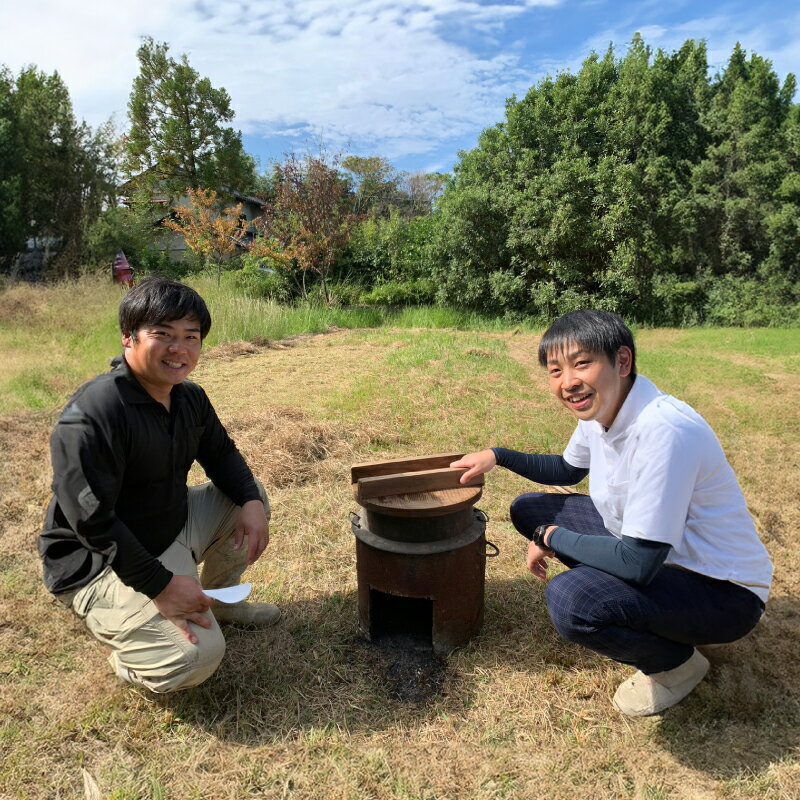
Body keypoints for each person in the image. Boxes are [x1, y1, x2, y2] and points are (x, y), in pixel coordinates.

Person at [452, 310, 772, 717]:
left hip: (721, 589)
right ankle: (636, 606)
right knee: (528, 509)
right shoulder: (604, 408)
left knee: (571, 600)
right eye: (555, 370)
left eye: (581, 363)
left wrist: (552, 538)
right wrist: (496, 456)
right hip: (655, 552)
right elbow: (567, 470)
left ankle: (675, 665)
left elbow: (638, 564)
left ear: (622, 361)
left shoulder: (663, 432)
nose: (567, 382)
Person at [39, 276, 279, 693]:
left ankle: (220, 602)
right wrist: (161, 586)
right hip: (97, 564)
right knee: (194, 658)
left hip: (167, 529)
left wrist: (251, 501)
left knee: (247, 495)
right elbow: (93, 523)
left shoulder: (188, 398)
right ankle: (131, 654)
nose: (179, 349)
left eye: (191, 336)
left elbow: (222, 455)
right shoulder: (94, 415)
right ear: (128, 338)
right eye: (163, 334)